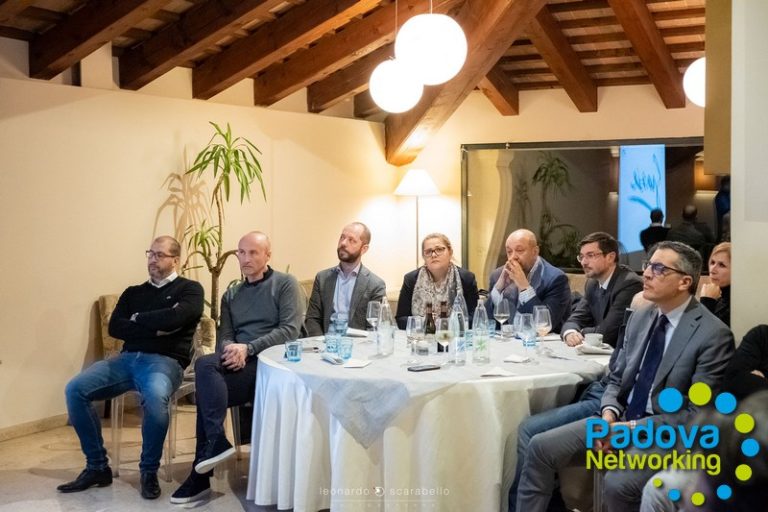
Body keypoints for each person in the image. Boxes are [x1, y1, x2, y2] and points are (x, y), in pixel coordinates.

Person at [516, 241, 734, 512]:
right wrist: (608, 415)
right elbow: (617, 378)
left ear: (684, 282)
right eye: (648, 265)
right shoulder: (641, 317)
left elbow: (697, 414)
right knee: (540, 446)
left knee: (618, 483)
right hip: (619, 419)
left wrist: (628, 429)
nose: (647, 274)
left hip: (663, 432)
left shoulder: (713, 334)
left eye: (659, 269)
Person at [58, 236, 204, 499]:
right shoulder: (132, 293)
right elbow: (116, 327)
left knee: (155, 397)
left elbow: (177, 318)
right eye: (150, 253)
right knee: (75, 389)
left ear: (175, 260)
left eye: (160, 255)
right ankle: (97, 467)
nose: (153, 259)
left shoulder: (190, 289)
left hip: (165, 361)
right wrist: (156, 327)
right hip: (126, 360)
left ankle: (148, 471)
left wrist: (137, 319)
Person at [171, 231, 304, 504]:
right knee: (207, 371)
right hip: (241, 363)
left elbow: (290, 331)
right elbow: (226, 335)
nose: (246, 258)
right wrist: (232, 348)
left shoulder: (285, 284)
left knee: (206, 383)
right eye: (241, 252)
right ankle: (215, 442)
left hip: (273, 365)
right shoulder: (231, 295)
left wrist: (249, 348)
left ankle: (201, 475)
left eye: (253, 252)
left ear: (268, 255)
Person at [509, 292, 650, 512]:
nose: (648, 276)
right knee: (538, 442)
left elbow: (607, 333)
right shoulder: (596, 288)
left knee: (529, 431)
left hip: (624, 412)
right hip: (604, 397)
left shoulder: (632, 290)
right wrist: (609, 413)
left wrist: (622, 422)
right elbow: (616, 373)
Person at [562, 232, 643, 348]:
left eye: (590, 255)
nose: (584, 262)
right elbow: (576, 318)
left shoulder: (629, 284)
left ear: (610, 257)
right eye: (582, 257)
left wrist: (582, 331)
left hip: (618, 353)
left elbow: (607, 334)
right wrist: (570, 333)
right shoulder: (592, 283)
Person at [304, 222, 386, 336]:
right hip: (325, 343)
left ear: (364, 249)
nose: (343, 243)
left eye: (351, 240)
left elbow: (373, 328)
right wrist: (320, 343)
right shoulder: (322, 278)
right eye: (342, 237)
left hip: (357, 344)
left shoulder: (375, 285)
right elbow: (312, 319)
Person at [486, 229, 571, 333]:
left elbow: (545, 324)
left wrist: (524, 287)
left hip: (543, 340)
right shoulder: (498, 275)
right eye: (509, 252)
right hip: (508, 339)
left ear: (535, 252)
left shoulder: (556, 278)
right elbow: (485, 322)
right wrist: (498, 289)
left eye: (519, 250)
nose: (513, 257)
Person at [395, 233, 478, 329]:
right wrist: (427, 323)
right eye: (428, 251)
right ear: (424, 256)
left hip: (455, 335)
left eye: (439, 249)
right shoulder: (411, 279)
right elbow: (401, 319)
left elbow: (474, 318)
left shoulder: (466, 278)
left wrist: (444, 324)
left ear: (450, 252)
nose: (434, 255)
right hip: (421, 336)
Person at [699, 242, 730, 326]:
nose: (713, 269)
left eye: (722, 265)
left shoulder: (735, 306)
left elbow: (702, 330)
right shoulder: (719, 297)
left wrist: (707, 301)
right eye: (712, 262)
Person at [714, 176, 730, 242]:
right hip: (724, 228)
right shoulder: (721, 197)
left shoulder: (727, 194)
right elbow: (727, 211)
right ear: (725, 184)